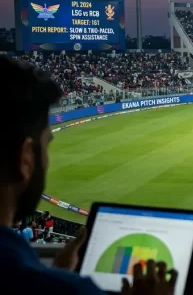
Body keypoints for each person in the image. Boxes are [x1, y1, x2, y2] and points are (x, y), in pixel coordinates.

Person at [0, 56, 176, 294]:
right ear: (26, 159)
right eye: (46, 146)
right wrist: (61, 281)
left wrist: (58, 272)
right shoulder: (64, 289)